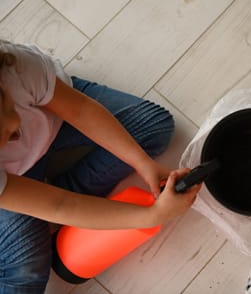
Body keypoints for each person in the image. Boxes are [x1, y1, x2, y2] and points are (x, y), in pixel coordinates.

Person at [0, 40, 201, 293]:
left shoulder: (13, 66)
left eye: (7, 110)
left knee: (151, 124)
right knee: (25, 266)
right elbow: (60, 205)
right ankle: (43, 205)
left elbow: (82, 110)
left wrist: (142, 163)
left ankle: (54, 199)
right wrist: (154, 216)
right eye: (3, 138)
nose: (15, 129)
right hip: (11, 181)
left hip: (56, 116)